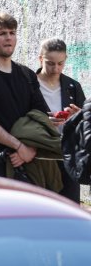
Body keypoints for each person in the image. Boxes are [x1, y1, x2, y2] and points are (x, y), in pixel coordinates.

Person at [0, 13, 52, 177]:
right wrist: (19, 147)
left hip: (28, 164)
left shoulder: (27, 75)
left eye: (12, 33)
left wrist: (29, 150)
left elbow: (41, 114)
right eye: (2, 33)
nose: (8, 38)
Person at [35, 38, 85, 202]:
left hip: (67, 157)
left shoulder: (73, 86)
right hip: (38, 158)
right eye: (50, 63)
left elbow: (85, 123)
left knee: (70, 209)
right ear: (40, 58)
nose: (56, 69)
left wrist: (77, 116)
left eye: (60, 63)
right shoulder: (29, 85)